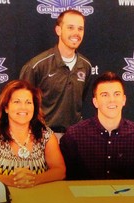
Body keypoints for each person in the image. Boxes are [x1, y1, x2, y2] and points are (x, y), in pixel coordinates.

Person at [0, 80, 66, 188]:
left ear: (34, 107)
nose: (23, 107)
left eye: (28, 102)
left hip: (39, 199)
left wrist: (34, 179)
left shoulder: (46, 135)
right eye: (17, 102)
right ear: (6, 107)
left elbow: (60, 171)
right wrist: (9, 180)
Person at [60, 71, 134, 180]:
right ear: (95, 102)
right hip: (85, 197)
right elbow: (66, 183)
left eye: (117, 94)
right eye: (105, 95)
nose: (112, 100)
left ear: (124, 100)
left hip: (126, 197)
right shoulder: (74, 136)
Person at [20, 9, 92, 140]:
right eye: (70, 27)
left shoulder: (86, 66)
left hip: (74, 137)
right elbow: (21, 104)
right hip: (41, 136)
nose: (76, 33)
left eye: (80, 29)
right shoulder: (36, 66)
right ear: (58, 30)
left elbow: (81, 99)